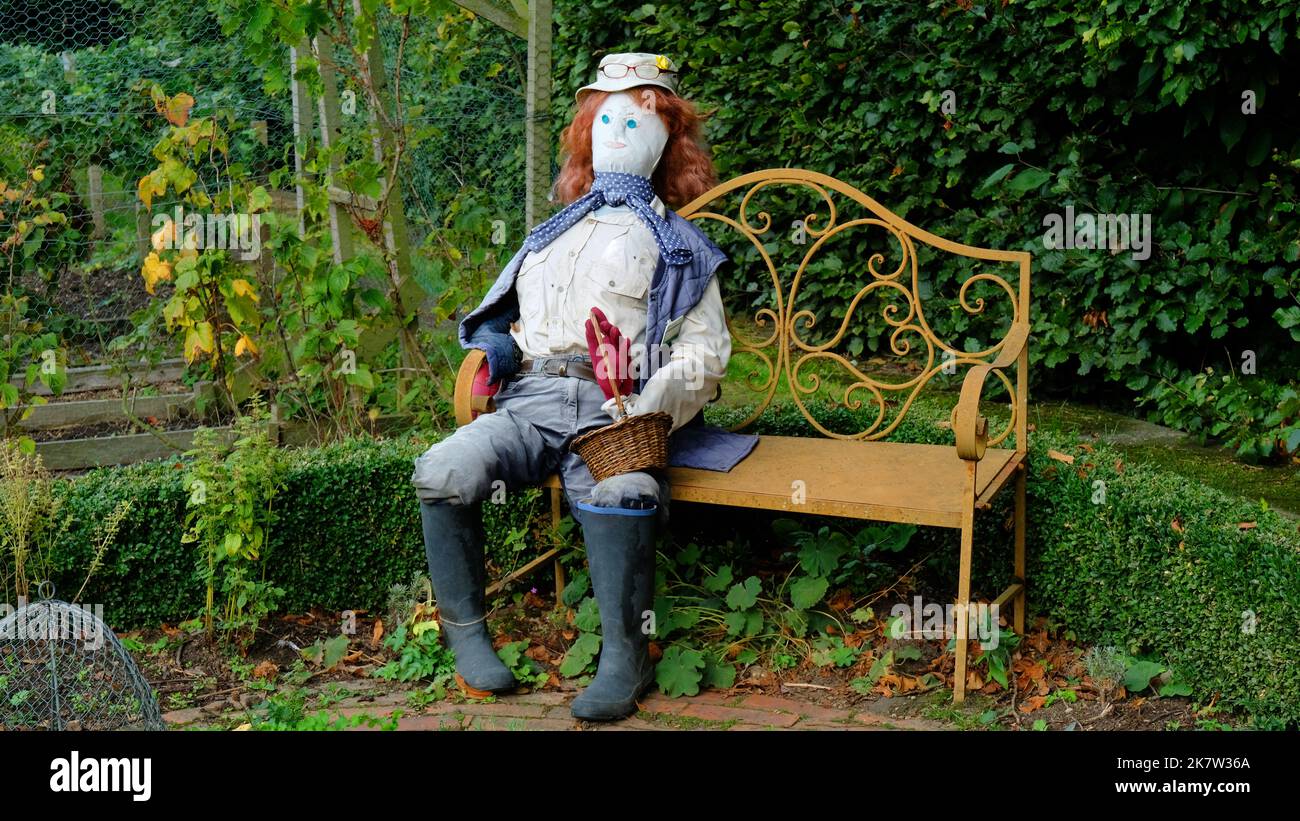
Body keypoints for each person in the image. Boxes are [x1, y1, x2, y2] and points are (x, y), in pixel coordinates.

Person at [411, 52, 755, 721]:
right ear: (585, 132)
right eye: (606, 118)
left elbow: (705, 354)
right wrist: (498, 344)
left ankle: (626, 658)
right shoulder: (549, 236)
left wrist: (648, 406)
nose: (618, 131)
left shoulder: (682, 247)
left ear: (668, 140)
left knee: (625, 490)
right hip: (529, 403)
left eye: (639, 117)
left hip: (613, 412)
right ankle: (469, 639)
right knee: (442, 469)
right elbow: (502, 315)